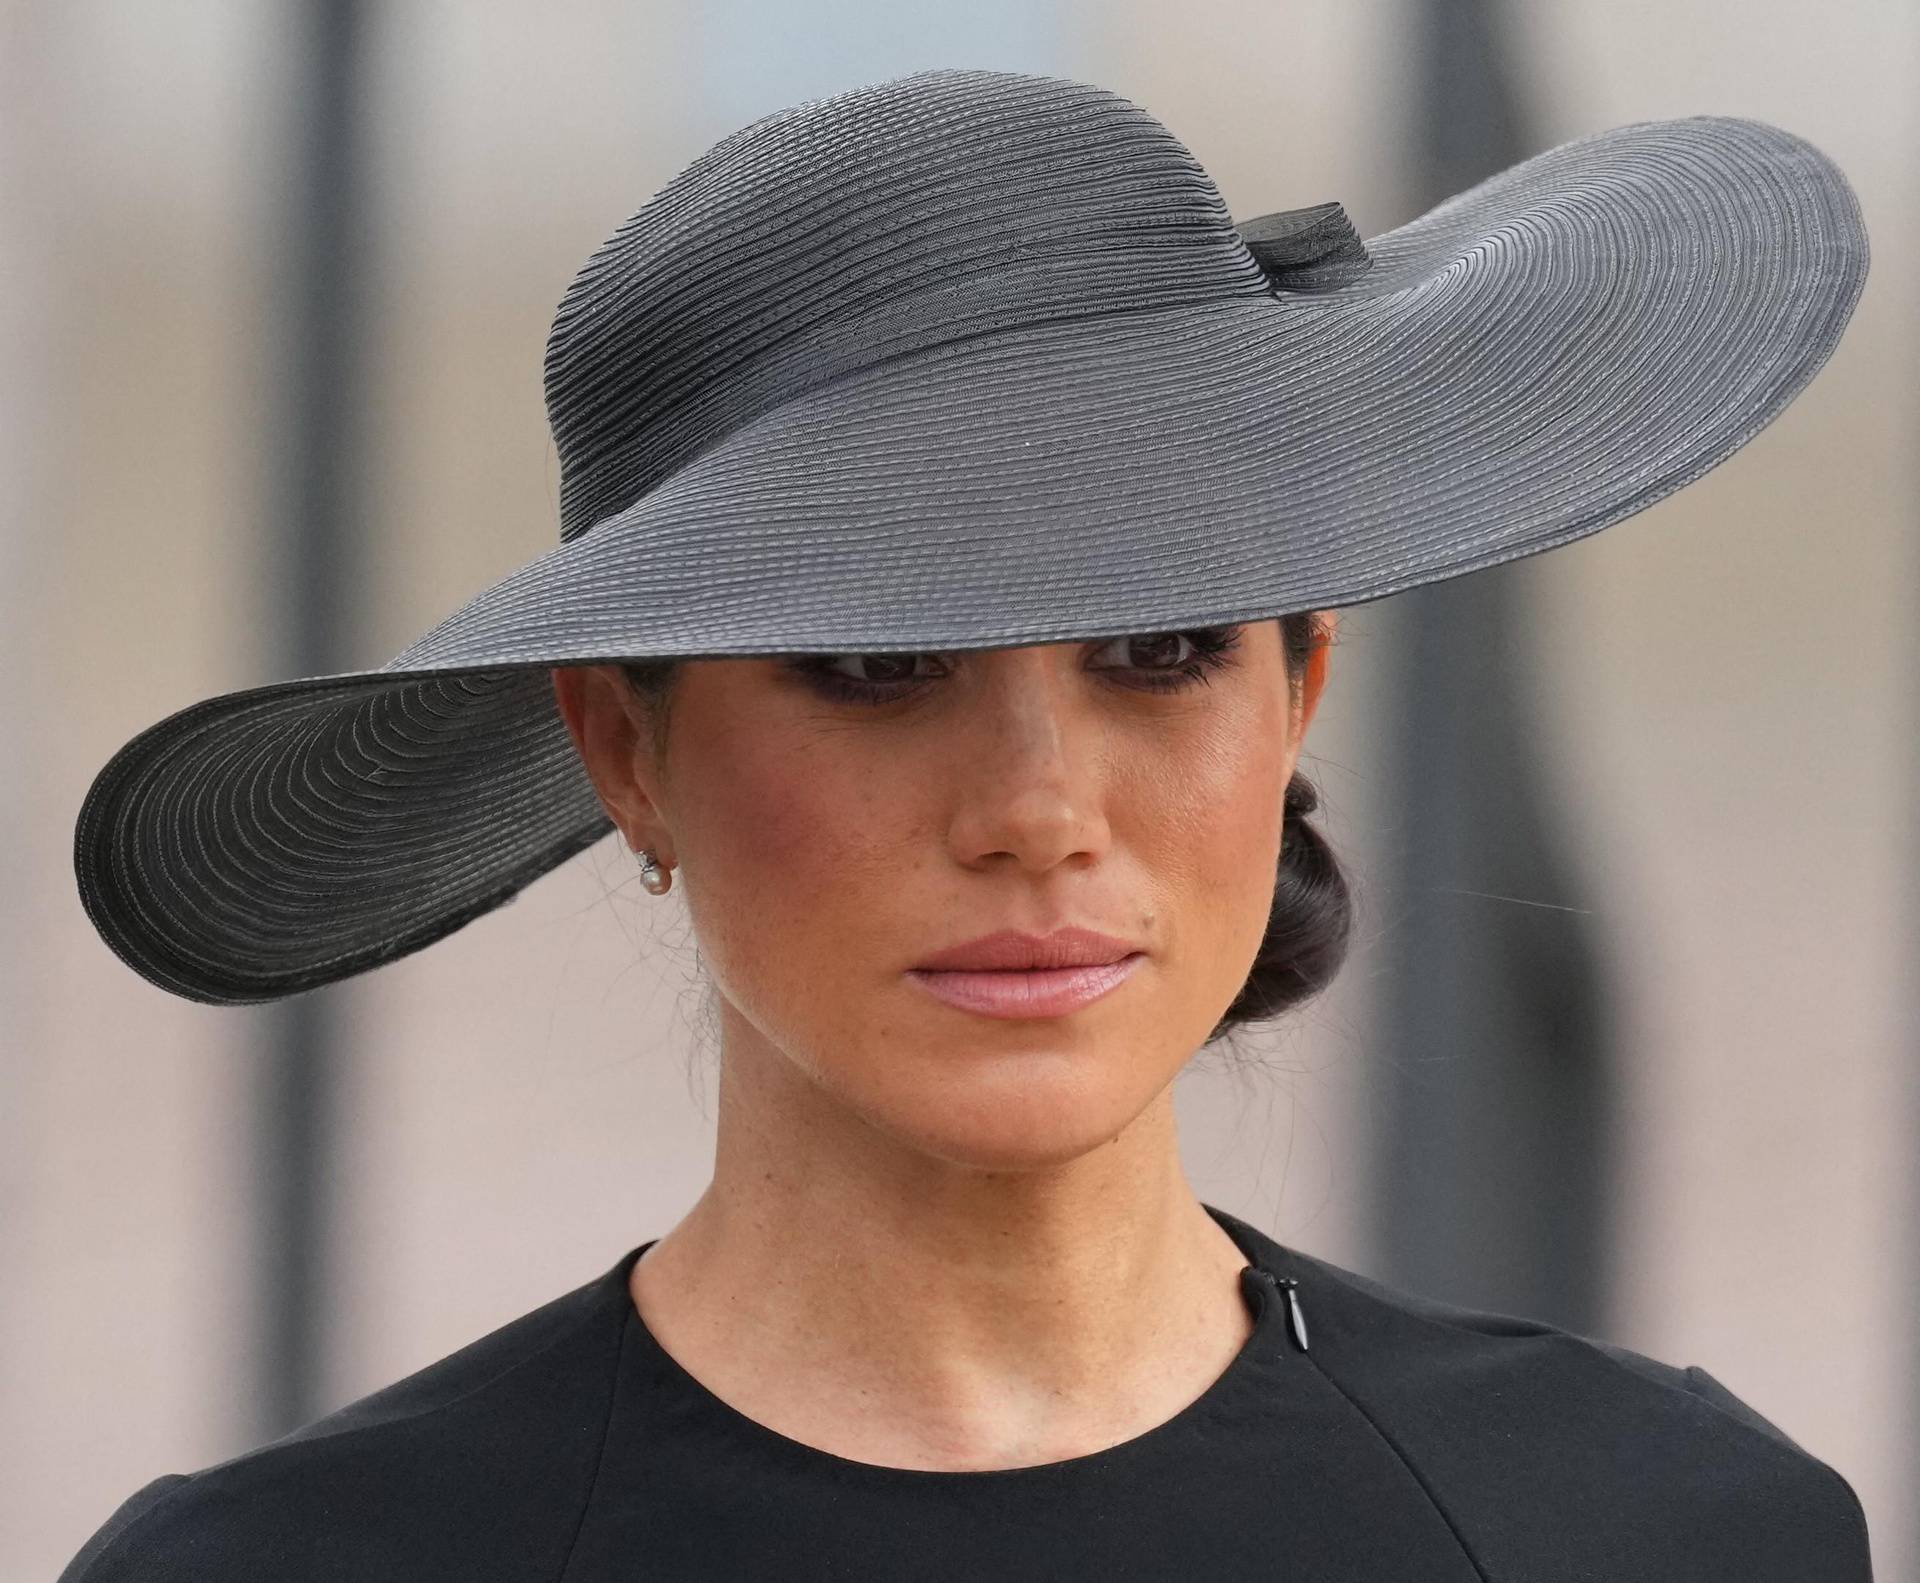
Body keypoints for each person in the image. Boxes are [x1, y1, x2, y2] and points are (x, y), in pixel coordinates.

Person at [61, 66, 1873, 1580]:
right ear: (625, 747)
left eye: (1162, 648)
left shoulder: (1668, 1533)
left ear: (1301, 690)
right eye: (875, 662)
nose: (1038, 810)